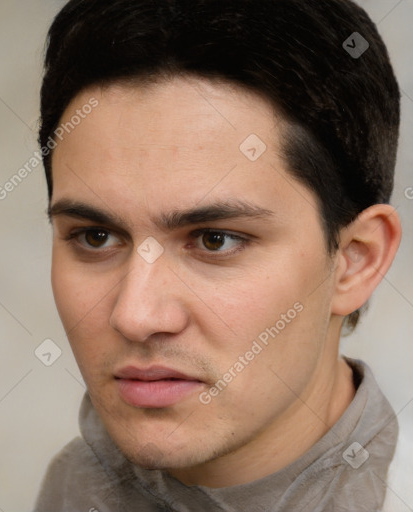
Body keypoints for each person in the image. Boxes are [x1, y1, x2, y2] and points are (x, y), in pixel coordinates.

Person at [33, 0, 403, 510]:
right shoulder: (72, 489)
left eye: (215, 240)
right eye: (96, 236)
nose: (134, 316)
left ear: (355, 261)